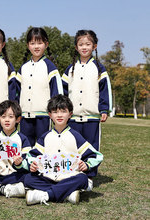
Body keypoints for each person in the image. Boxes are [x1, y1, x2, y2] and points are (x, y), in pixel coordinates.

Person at [22, 95, 103, 205]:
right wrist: (33, 164)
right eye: (55, 112)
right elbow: (31, 156)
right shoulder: (45, 137)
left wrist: (87, 165)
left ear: (70, 114)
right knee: (28, 178)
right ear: (50, 115)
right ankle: (68, 194)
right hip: (48, 177)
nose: (59, 115)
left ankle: (45, 195)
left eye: (63, 111)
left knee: (83, 179)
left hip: (69, 177)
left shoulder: (76, 136)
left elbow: (97, 155)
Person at [62, 30, 112, 177]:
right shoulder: (70, 69)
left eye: (88, 44)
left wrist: (104, 109)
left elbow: (105, 90)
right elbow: (63, 92)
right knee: (72, 146)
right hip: (73, 117)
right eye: (81, 44)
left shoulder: (99, 68)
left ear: (94, 46)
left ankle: (89, 176)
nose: (84, 47)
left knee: (91, 146)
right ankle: (72, 172)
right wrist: (62, 110)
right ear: (76, 47)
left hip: (91, 117)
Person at [17, 27, 63, 146]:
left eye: (40, 43)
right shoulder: (23, 68)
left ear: (46, 44)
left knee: (44, 146)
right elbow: (16, 92)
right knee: (26, 147)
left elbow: (57, 93)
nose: (36, 46)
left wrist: (56, 113)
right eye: (32, 43)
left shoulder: (50, 67)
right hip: (25, 115)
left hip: (43, 116)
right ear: (28, 45)